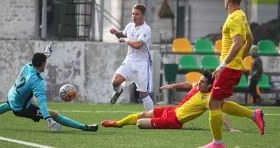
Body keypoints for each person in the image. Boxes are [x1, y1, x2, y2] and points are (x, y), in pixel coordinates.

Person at [0, 44, 98, 132]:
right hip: (22, 109)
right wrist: (49, 119)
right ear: (43, 64)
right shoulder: (37, 82)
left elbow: (38, 60)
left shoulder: (28, 66)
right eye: (45, 62)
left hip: (12, 95)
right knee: (55, 114)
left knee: (8, 105)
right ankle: (84, 127)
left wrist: (46, 54)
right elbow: (42, 103)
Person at [101, 70, 264, 134]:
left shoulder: (208, 99)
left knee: (140, 123)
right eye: (199, 81)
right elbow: (188, 84)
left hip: (174, 120)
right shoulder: (197, 86)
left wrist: (231, 128)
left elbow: (219, 113)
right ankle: (118, 123)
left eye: (202, 82)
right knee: (142, 113)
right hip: (172, 110)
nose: (198, 83)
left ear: (209, 86)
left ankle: (252, 116)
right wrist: (173, 85)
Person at [200, 0, 255, 148]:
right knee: (217, 103)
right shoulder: (242, 15)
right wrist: (241, 57)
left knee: (213, 103)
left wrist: (223, 65)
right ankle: (254, 116)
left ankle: (217, 143)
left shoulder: (234, 18)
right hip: (233, 66)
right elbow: (250, 40)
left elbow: (238, 43)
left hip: (229, 68)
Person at [109, 3, 153, 111]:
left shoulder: (146, 29)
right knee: (115, 82)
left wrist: (125, 40)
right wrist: (116, 33)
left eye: (137, 14)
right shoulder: (129, 26)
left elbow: (138, 45)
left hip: (142, 63)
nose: (134, 16)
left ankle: (152, 117)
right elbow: (122, 34)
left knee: (143, 94)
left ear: (143, 15)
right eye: (133, 14)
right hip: (129, 60)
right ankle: (118, 92)